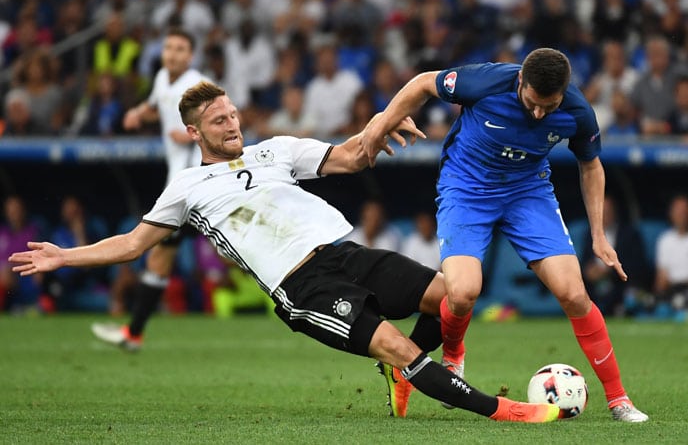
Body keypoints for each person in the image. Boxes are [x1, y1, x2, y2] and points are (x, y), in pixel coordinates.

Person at [9, 80, 561, 424]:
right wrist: (65, 256)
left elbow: (349, 158)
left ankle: (407, 377)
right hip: (303, 288)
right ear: (193, 133)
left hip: (345, 253)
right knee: (399, 348)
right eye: (219, 121)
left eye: (232, 114)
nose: (232, 125)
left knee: (452, 294)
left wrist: (382, 126)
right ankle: (504, 411)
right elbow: (131, 244)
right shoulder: (185, 189)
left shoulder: (275, 149)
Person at [360, 48, 649, 422]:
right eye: (533, 102)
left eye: (550, 106)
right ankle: (453, 358)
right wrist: (381, 122)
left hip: (527, 193)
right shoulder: (485, 81)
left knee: (575, 294)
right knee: (462, 293)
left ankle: (619, 399)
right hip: (467, 188)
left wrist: (598, 234)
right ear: (520, 82)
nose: (540, 113)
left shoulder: (577, 112)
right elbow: (422, 83)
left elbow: (591, 165)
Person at [90, 28, 210, 351]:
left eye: (181, 49)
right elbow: (157, 103)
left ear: (191, 55)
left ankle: (134, 332)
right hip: (180, 186)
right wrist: (138, 113)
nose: (173, 53)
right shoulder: (161, 78)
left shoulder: (198, 86)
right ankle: (134, 333)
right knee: (161, 255)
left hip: (197, 186)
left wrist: (193, 135)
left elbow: (226, 119)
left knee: (150, 250)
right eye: (169, 47)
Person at [581, 195, 650, 316]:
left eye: (607, 211)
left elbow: (638, 266)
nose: (604, 215)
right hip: (595, 286)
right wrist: (589, 272)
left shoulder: (630, 234)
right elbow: (585, 262)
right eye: (601, 211)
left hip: (621, 285)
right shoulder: (589, 234)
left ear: (615, 212)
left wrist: (610, 270)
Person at [654, 194, 688, 317]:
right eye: (677, 211)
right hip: (671, 289)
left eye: (684, 211)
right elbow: (661, 278)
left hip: (686, 289)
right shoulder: (665, 240)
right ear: (671, 213)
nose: (681, 215)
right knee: (661, 309)